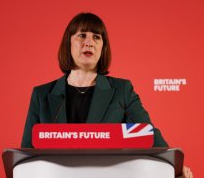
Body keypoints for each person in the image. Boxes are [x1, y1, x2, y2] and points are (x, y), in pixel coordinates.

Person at [21, 12, 193, 178]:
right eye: (81, 35)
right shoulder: (42, 94)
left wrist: (175, 170)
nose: (89, 42)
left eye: (97, 37)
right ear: (68, 43)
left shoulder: (122, 90)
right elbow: (26, 156)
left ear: (102, 47)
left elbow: (149, 135)